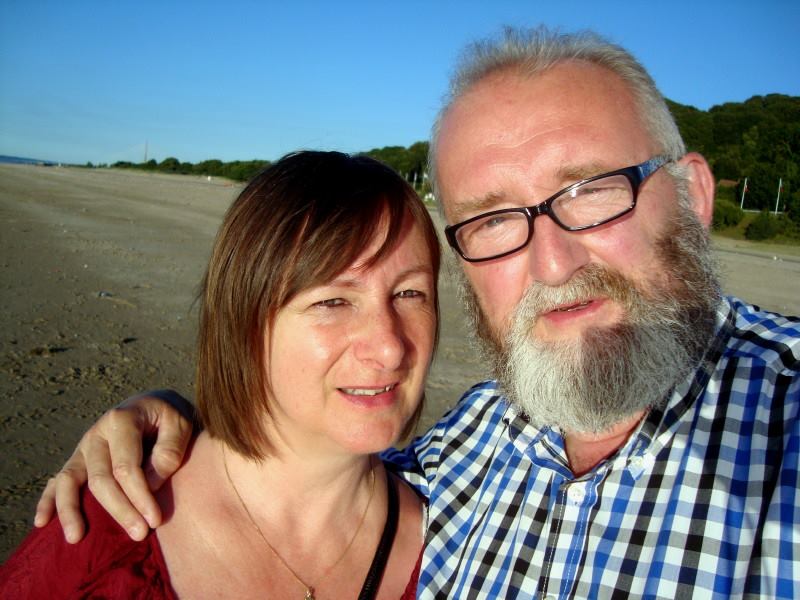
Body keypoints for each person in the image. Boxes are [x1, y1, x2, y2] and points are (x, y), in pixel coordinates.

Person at [30, 27, 800, 598]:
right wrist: (165, 420)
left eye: (593, 190)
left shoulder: (781, 450)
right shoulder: (467, 445)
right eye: (496, 220)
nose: (554, 263)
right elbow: (310, 461)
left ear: (694, 198)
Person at [1, 150, 442, 599]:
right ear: (244, 321)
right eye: (333, 302)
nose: (390, 347)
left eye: (410, 292)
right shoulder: (101, 535)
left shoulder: (452, 554)